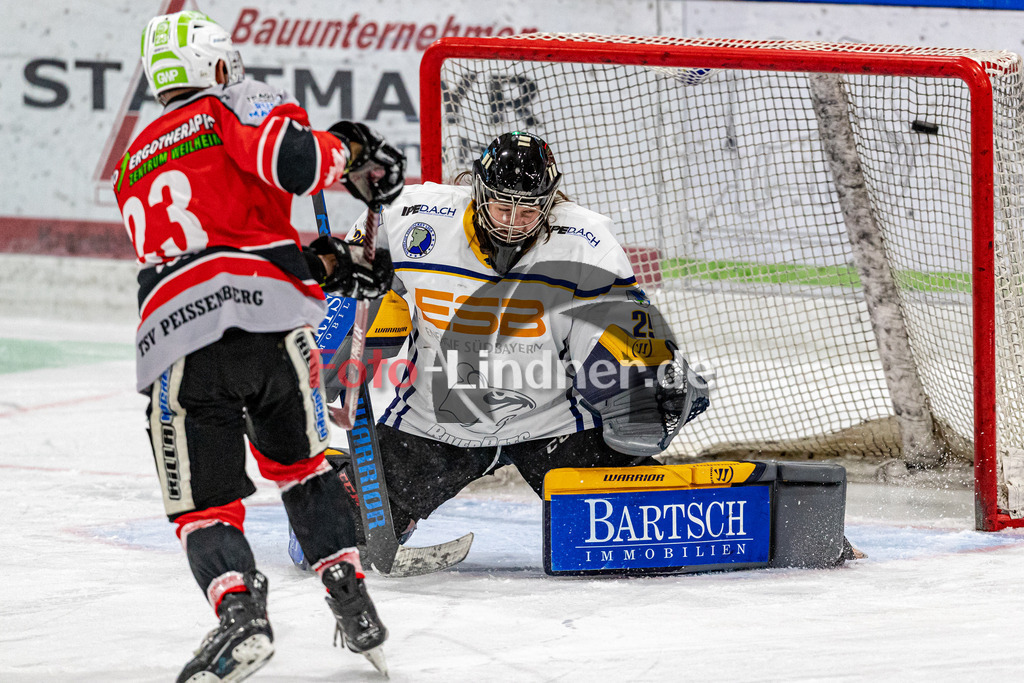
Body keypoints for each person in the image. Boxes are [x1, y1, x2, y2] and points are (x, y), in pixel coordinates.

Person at [112, 11, 403, 681]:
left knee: (204, 505)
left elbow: (209, 249)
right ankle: (349, 596)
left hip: (178, 339)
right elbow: (292, 163)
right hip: (271, 329)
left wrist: (316, 263)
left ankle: (240, 610)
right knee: (302, 468)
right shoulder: (230, 107)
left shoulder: (132, 163)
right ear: (215, 68)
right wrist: (349, 155)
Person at [322, 131, 709, 547]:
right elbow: (358, 282)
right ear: (478, 191)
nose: (511, 221)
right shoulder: (412, 219)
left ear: (548, 203)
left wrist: (652, 378)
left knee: (633, 540)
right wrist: (339, 340)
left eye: (527, 211)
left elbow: (621, 330)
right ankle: (342, 474)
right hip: (437, 421)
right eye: (502, 205)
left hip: (554, 423)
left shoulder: (585, 243)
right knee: (336, 534)